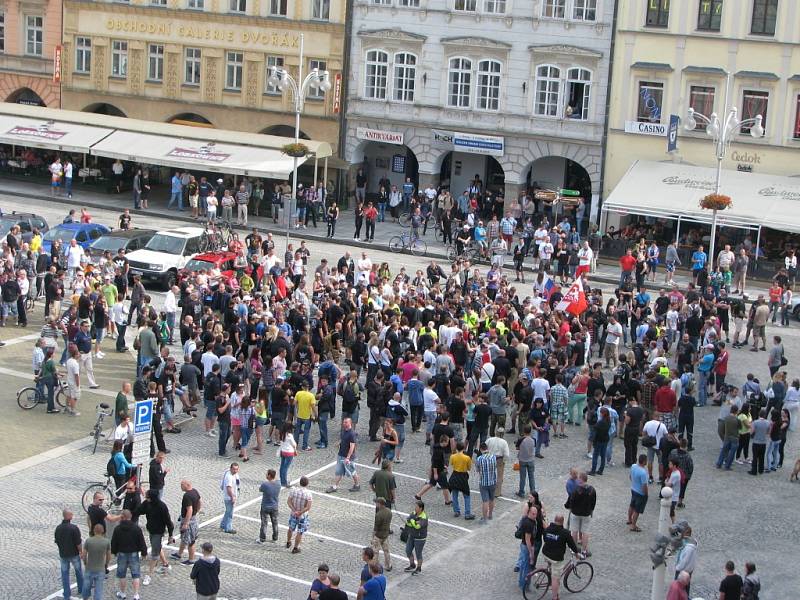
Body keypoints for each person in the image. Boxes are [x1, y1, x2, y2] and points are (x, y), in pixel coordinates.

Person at [136, 488, 175, 586]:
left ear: (152, 498)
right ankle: (165, 564)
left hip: (158, 532)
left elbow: (169, 522)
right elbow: (139, 511)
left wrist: (170, 535)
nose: (146, 498)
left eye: (147, 497)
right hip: (151, 530)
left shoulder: (162, 507)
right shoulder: (147, 503)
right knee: (156, 546)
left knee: (154, 554)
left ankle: (149, 575)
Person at [110, 509, 148, 600]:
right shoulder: (136, 528)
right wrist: (144, 553)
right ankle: (136, 595)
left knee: (122, 574)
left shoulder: (117, 529)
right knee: (135, 574)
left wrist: (113, 552)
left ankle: (123, 593)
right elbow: (141, 542)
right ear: (130, 517)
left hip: (122, 554)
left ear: (122, 517)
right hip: (134, 554)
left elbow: (114, 542)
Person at [541, 514, 580, 600]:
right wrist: (576, 553)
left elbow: (545, 538)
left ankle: (550, 575)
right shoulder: (565, 533)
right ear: (562, 522)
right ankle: (555, 597)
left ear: (554, 520)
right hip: (556, 558)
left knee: (551, 568)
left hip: (545, 553)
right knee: (556, 578)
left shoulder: (547, 529)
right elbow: (572, 544)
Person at [325, 417, 361, 493]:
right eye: (344, 422)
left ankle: (357, 485)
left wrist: (348, 457)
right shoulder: (344, 431)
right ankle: (334, 486)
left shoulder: (352, 434)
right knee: (339, 471)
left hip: (348, 457)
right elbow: (342, 439)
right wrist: (339, 443)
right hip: (341, 454)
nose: (344, 423)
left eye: (346, 422)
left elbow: (352, 446)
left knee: (352, 471)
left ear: (350, 423)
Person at [55, 508, 83, 600]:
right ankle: (81, 589)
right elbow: (78, 542)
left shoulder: (58, 528)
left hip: (63, 554)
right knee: (78, 571)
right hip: (74, 554)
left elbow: (57, 541)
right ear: (69, 516)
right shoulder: (74, 528)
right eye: (71, 515)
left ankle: (66, 594)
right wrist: (81, 551)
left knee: (64, 574)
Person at [171, 479, 201, 565]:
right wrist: (197, 511)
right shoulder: (195, 491)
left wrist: (186, 523)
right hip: (193, 518)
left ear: (186, 485)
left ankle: (191, 560)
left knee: (191, 541)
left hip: (188, 520)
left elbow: (189, 510)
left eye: (182, 485)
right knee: (184, 538)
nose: (181, 487)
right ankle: (179, 554)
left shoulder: (187, 496)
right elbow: (199, 502)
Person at [566, 472, 596, 555]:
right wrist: (591, 511)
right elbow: (593, 503)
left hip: (575, 513)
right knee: (585, 532)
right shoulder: (592, 490)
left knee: (574, 531)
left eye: (579, 478)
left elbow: (571, 502)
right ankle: (584, 550)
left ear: (581, 479)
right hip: (586, 514)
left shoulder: (576, 490)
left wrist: (570, 509)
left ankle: (574, 549)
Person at [81, 523, 111, 600]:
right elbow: (108, 556)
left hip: (89, 568)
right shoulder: (106, 542)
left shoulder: (88, 541)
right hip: (100, 569)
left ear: (94, 530)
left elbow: (84, 555)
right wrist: (106, 564)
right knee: (98, 590)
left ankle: (85, 598)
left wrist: (85, 562)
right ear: (103, 531)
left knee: (86, 587)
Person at [286, 475, 313, 554]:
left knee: (290, 528)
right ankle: (295, 548)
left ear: (300, 482)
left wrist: (294, 510)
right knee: (300, 532)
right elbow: (308, 507)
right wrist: (300, 512)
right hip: (302, 516)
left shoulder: (293, 491)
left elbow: (289, 502)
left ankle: (288, 542)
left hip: (293, 514)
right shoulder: (308, 494)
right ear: (307, 484)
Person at [403, 500, 428, 575]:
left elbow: (418, 527)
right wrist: (413, 521)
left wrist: (412, 521)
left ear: (420, 508)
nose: (415, 508)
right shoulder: (414, 513)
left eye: (416, 507)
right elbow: (407, 522)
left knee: (418, 553)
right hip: (411, 536)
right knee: (408, 550)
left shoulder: (424, 517)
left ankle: (419, 568)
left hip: (420, 538)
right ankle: (412, 564)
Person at [475, 442, 497, 522]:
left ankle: (484, 518)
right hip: (493, 481)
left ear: (481, 449)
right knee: (492, 499)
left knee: (485, 501)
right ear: (487, 448)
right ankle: (490, 515)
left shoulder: (479, 459)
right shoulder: (493, 457)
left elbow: (477, 470)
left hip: (483, 482)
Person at [258, 469, 281, 543]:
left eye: (266, 474)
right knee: (275, 523)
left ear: (269, 476)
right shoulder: (278, 484)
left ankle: (262, 539)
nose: (265, 475)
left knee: (264, 523)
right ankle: (275, 538)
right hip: (274, 506)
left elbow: (260, 489)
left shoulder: (265, 484)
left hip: (265, 506)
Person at [371, 497, 393, 572]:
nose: (376, 504)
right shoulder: (389, 511)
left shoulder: (378, 514)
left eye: (377, 503)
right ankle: (388, 565)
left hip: (378, 536)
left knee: (375, 552)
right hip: (385, 535)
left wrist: (372, 537)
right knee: (386, 551)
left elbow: (375, 528)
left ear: (380, 504)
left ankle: (375, 566)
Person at [516, 425, 536, 497]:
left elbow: (517, 448)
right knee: (531, 477)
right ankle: (533, 492)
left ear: (524, 431)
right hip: (531, 460)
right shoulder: (533, 439)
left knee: (522, 477)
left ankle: (521, 492)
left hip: (522, 460)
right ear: (530, 431)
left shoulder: (521, 439)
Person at [220, 462, 240, 534]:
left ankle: (222, 525)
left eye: (236, 469)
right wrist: (232, 497)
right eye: (234, 469)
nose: (235, 471)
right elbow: (229, 488)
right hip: (229, 497)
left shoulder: (234, 474)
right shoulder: (229, 477)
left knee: (228, 511)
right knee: (230, 513)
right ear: (231, 468)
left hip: (231, 496)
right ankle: (228, 528)